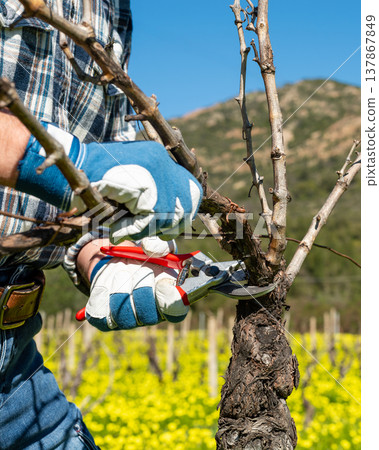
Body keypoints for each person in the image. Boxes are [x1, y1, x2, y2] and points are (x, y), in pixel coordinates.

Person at [0, 1, 202, 448]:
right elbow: (85, 165)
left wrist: (105, 261)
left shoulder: (114, 11)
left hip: (13, 365)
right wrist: (55, 160)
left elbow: (96, 207)